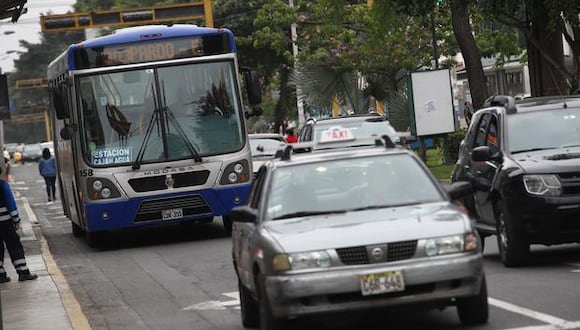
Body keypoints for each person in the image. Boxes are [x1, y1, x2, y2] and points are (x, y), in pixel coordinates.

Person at [0, 166, 38, 283]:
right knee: (14, 244)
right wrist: (16, 220)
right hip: (5, 221)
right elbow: (10, 204)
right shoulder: (2, 185)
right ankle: (23, 272)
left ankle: (1, 275)